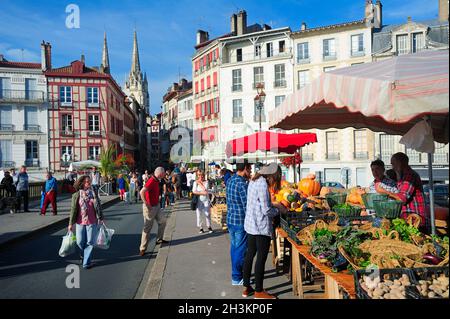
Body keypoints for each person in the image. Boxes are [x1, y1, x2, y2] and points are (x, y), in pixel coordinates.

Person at [242, 163, 287, 299]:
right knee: (261, 258)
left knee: (250, 255)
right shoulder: (262, 184)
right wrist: (279, 210)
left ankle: (246, 288)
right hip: (260, 226)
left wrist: (274, 205)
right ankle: (259, 291)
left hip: (250, 224)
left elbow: (258, 203)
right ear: (273, 175)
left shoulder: (254, 180)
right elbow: (266, 210)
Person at [376, 153, 427, 230]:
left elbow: (402, 199)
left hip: (415, 221)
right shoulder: (402, 177)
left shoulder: (410, 175)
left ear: (400, 163)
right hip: (407, 220)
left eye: (393, 164)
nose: (393, 167)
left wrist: (384, 191)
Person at [68, 175, 104, 270]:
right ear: (82, 183)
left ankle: (86, 263)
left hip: (92, 221)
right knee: (80, 242)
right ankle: (83, 254)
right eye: (87, 181)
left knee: (90, 242)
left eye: (89, 181)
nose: (89, 183)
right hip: (80, 222)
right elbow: (73, 210)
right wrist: (70, 224)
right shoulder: (77, 195)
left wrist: (101, 217)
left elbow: (98, 206)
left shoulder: (93, 193)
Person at [226, 161, 252, 286]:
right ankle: (236, 277)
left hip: (231, 219)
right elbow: (247, 205)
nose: (251, 172)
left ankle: (236, 274)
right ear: (245, 168)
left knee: (235, 248)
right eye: (250, 169)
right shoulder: (242, 184)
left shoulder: (231, 180)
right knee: (240, 250)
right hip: (240, 221)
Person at [139, 167, 168, 256]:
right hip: (150, 207)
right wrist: (146, 204)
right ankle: (142, 249)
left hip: (157, 206)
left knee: (163, 221)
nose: (164, 175)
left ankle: (159, 239)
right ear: (160, 173)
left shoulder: (156, 180)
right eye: (164, 174)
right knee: (147, 228)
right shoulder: (151, 180)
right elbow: (141, 192)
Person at [192, 170, 213, 234]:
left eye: (202, 175)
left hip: (206, 199)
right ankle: (201, 227)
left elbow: (210, 190)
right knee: (199, 214)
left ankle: (209, 226)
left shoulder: (207, 182)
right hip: (199, 200)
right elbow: (194, 191)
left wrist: (208, 191)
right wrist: (202, 193)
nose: (201, 176)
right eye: (199, 175)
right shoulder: (195, 182)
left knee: (208, 214)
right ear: (197, 176)